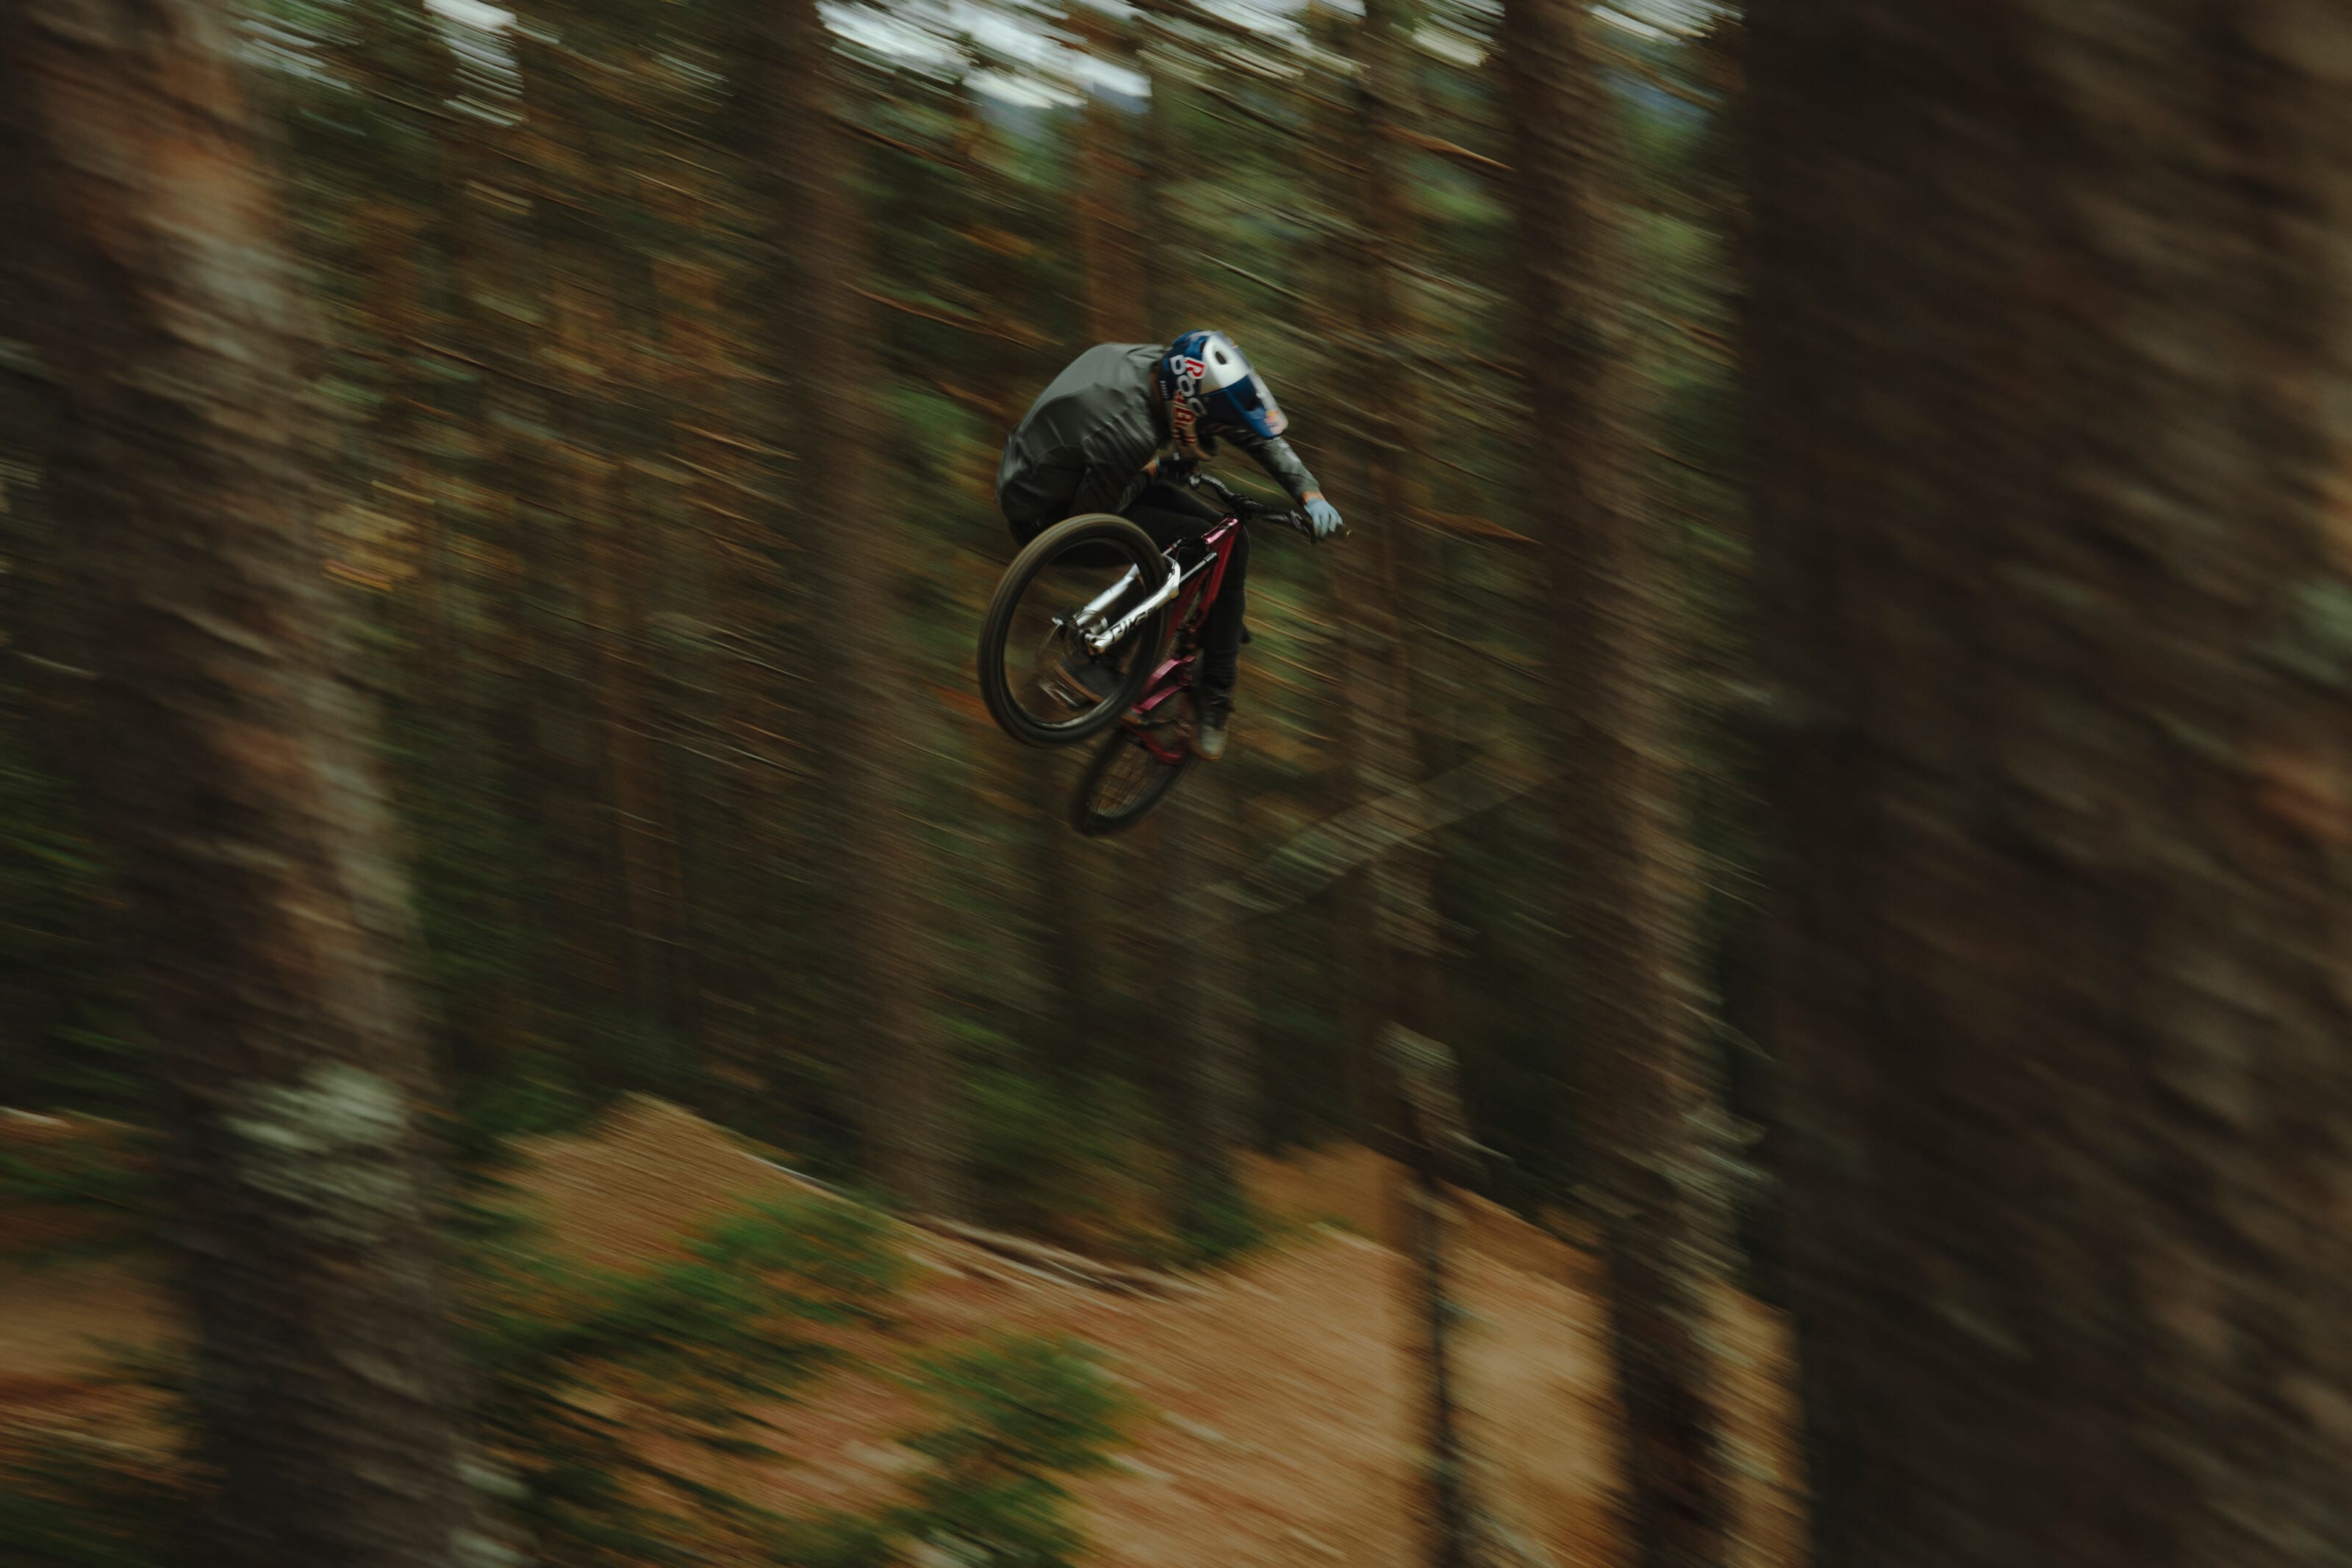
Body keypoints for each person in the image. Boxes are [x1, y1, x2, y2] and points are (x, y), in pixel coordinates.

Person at [996, 330, 1344, 761]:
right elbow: (1092, 522)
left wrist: (1309, 493)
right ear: (1185, 407)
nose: (1217, 433)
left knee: (1229, 539)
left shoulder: (1158, 368)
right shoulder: (1129, 430)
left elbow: (1249, 428)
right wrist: (1155, 469)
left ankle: (1213, 689)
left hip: (1036, 472)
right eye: (1212, 425)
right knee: (1194, 547)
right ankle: (1098, 663)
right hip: (1051, 519)